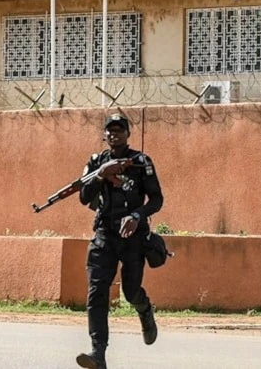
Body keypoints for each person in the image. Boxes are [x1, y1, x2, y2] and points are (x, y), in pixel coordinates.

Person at [76, 114, 164, 369]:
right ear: (104, 135)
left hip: (132, 237)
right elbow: (84, 197)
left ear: (128, 134)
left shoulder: (141, 162)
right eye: (110, 131)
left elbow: (156, 199)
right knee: (97, 293)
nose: (114, 134)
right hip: (104, 234)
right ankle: (98, 353)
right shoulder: (96, 161)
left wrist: (137, 216)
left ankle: (144, 309)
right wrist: (100, 175)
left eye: (119, 130)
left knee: (130, 291)